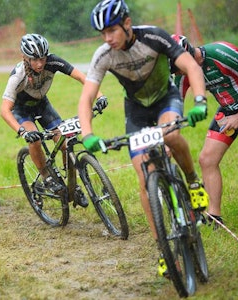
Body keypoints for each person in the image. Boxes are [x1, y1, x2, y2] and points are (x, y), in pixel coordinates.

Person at [78, 0, 209, 276]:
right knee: (143, 176)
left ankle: (193, 182)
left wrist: (199, 100)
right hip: (136, 111)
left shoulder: (153, 36)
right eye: (102, 33)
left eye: (112, 30)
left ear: (127, 23)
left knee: (170, 135)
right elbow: (87, 96)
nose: (107, 38)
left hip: (165, 99)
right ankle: (163, 248)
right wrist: (87, 134)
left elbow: (192, 67)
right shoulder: (104, 55)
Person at [171, 34, 238, 228]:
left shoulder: (221, 54)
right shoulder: (184, 73)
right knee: (207, 159)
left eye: (175, 67)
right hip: (229, 107)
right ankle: (214, 216)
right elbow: (174, 110)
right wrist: (169, 139)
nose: (176, 73)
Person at [1, 33, 106, 208]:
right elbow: (4, 110)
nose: (40, 64)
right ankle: (46, 177)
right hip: (22, 111)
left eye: (42, 58)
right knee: (35, 139)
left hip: (43, 105)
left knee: (65, 140)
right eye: (34, 60)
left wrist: (100, 96)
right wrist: (22, 132)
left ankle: (73, 184)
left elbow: (82, 77)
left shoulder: (53, 62)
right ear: (24, 57)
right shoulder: (18, 75)